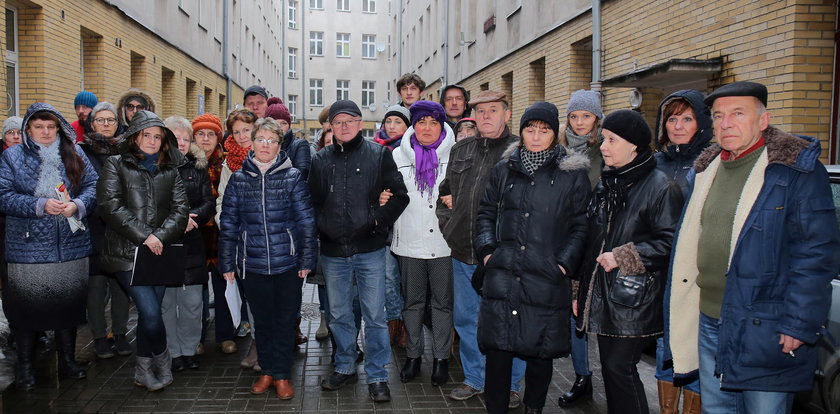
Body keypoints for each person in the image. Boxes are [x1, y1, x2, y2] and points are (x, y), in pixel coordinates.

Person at [668, 81, 840, 413]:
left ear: (763, 120)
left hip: (767, 327)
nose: (726, 123)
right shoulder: (707, 170)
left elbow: (816, 254)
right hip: (709, 320)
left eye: (737, 113)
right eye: (718, 116)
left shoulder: (793, 172)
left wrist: (798, 324)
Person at [476, 102, 590, 413]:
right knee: (498, 354)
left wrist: (563, 263)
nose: (536, 136)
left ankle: (534, 408)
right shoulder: (504, 169)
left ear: (555, 134)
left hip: (546, 278)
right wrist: (487, 252)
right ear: (522, 132)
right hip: (503, 273)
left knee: (540, 354)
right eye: (530, 129)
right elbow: (485, 213)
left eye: (544, 130)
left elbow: (581, 225)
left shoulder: (573, 173)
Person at [576, 110, 683, 414]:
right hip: (606, 292)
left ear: (634, 145)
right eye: (604, 139)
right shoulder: (609, 181)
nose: (603, 146)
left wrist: (622, 256)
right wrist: (579, 291)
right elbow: (592, 240)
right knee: (612, 370)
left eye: (611, 140)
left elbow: (670, 242)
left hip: (634, 297)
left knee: (619, 368)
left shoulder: (660, 186)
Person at [309, 100, 409, 402]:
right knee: (338, 314)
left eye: (350, 121)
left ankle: (378, 375)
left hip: (370, 250)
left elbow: (400, 196)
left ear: (360, 123)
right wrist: (322, 226)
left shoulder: (379, 155)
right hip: (333, 252)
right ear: (330, 126)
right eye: (338, 122)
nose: (344, 127)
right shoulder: (321, 159)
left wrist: (376, 219)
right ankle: (345, 365)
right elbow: (311, 202)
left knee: (375, 316)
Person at [436, 90, 526, 408]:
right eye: (481, 111)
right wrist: (449, 226)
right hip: (463, 252)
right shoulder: (461, 149)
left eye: (493, 110)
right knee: (465, 318)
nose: (486, 116)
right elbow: (444, 193)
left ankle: (511, 384)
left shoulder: (519, 152)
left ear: (507, 113)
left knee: (507, 320)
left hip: (503, 257)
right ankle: (475, 377)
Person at [0, 103, 98, 391]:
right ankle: (26, 370)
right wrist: (39, 205)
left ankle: (67, 361)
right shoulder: (13, 157)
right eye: (38, 126)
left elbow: (93, 186)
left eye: (51, 126)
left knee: (67, 309)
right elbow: (3, 195)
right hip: (28, 249)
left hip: (71, 246)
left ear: (59, 128)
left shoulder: (75, 152)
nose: (45, 132)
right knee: (27, 313)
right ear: (28, 129)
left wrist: (77, 205)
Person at [219, 117, 317, 400]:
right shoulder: (239, 179)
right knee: (261, 322)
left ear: (279, 145)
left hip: (287, 264)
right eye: (260, 139)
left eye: (271, 141)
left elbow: (306, 221)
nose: (265, 145)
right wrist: (227, 264)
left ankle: (283, 374)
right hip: (253, 265)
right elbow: (229, 224)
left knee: (285, 321)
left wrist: (306, 260)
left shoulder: (293, 176)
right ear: (252, 143)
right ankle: (268, 372)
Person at [97, 109, 189, 391]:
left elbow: (181, 210)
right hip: (126, 253)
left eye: (157, 137)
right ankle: (162, 360)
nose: (151, 141)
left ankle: (143, 370)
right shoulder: (115, 165)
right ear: (135, 137)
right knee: (149, 313)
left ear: (164, 142)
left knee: (154, 314)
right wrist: (145, 236)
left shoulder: (170, 171)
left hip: (159, 253)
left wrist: (158, 237)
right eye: (146, 135)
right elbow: (109, 206)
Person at [652, 89, 711, 414]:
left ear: (701, 122)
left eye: (686, 118)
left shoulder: (709, 163)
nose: (677, 125)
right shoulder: (655, 162)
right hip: (661, 273)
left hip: (697, 275)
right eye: (672, 118)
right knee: (665, 347)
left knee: (693, 352)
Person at [390, 101, 456, 385]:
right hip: (409, 243)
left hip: (443, 244)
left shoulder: (456, 156)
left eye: (433, 123)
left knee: (442, 304)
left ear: (442, 126)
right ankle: (414, 357)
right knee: (413, 303)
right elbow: (386, 191)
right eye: (421, 122)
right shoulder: (396, 155)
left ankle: (441, 358)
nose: (427, 128)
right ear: (413, 125)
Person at [556, 89, 604, 408]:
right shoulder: (557, 151)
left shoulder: (605, 150)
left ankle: (592, 376)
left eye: (586, 116)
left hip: (595, 244)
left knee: (587, 315)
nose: (579, 122)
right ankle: (579, 374)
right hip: (561, 242)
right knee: (568, 314)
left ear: (596, 119)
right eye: (574, 116)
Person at [79, 102, 132, 359]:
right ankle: (100, 337)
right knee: (96, 285)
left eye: (111, 120)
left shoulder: (127, 150)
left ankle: (121, 333)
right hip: (94, 225)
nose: (106, 124)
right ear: (92, 123)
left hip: (122, 226)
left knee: (121, 284)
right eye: (101, 120)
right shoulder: (81, 151)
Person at [160, 116, 214, 372]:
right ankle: (173, 352)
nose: (180, 143)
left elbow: (208, 203)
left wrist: (193, 218)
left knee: (193, 303)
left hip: (193, 243)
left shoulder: (198, 168)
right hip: (164, 245)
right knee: (167, 304)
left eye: (185, 138)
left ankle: (190, 350)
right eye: (175, 138)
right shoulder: (155, 167)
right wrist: (177, 220)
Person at [215, 108, 260, 369]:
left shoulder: (268, 154)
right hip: (240, 241)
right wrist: (228, 225)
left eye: (247, 130)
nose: (242, 136)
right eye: (236, 132)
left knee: (265, 297)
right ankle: (256, 342)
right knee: (250, 296)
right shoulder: (227, 164)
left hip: (266, 239)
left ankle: (268, 343)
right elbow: (222, 201)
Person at [190, 112, 236, 354]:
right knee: (196, 290)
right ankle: (195, 336)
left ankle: (225, 335)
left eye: (211, 134)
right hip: (194, 235)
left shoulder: (226, 163)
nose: (205, 139)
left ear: (218, 138)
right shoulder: (187, 162)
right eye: (200, 134)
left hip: (220, 235)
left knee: (223, 286)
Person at [372, 104, 411, 347]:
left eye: (398, 122)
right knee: (388, 278)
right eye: (389, 122)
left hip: (408, 223)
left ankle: (407, 325)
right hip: (386, 227)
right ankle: (392, 323)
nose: (392, 126)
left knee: (408, 279)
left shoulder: (413, 151)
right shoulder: (376, 150)